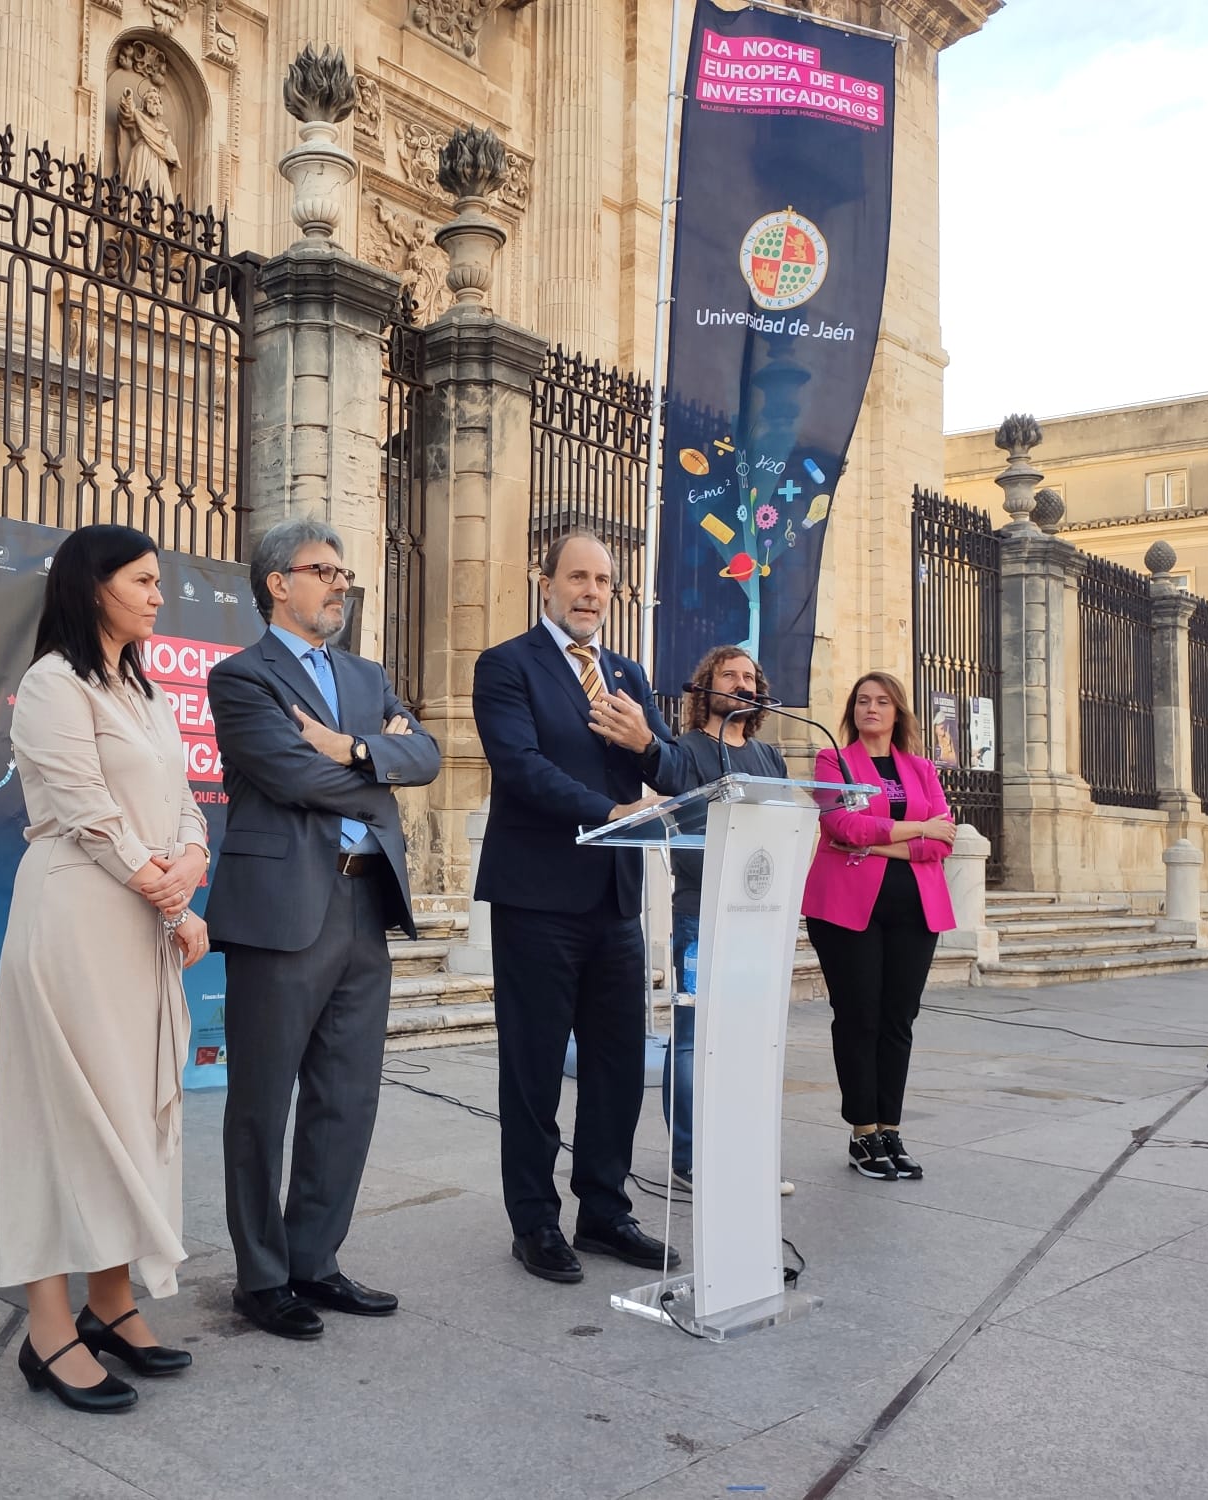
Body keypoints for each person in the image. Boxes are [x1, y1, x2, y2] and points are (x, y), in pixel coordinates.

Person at [206, 518, 440, 1340]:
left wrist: (348, 747)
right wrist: (377, 766)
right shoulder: (241, 679)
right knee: (262, 1104)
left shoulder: (366, 675)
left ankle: (316, 1260)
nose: (341, 584)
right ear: (279, 582)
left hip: (363, 906)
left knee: (347, 1098)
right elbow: (287, 774)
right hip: (281, 914)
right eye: (325, 571)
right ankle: (262, 1278)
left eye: (343, 573)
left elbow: (430, 757)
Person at [0, 524, 212, 1414]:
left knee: (130, 1112)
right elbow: (87, 810)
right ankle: (47, 1332)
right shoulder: (53, 684)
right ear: (93, 587)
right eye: (144, 580)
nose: (160, 594)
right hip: (76, 915)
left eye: (161, 580)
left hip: (139, 918)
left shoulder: (146, 692)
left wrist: (191, 866)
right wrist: (169, 894)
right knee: (64, 1119)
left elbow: (186, 802)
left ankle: (111, 1302)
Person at [472, 529, 691, 1284]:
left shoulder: (626, 673)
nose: (592, 592)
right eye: (578, 577)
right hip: (538, 896)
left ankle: (603, 1210)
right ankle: (533, 1221)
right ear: (546, 583)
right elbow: (521, 767)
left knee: (616, 1064)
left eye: (603, 580)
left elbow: (671, 762)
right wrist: (612, 812)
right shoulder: (507, 665)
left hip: (615, 899)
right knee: (533, 1067)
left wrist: (648, 746)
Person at [801, 671, 957, 1184]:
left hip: (915, 909)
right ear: (853, 710)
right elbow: (841, 827)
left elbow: (942, 841)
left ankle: (890, 1129)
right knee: (858, 1017)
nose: (872, 708)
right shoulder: (833, 761)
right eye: (863, 701)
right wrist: (916, 828)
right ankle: (862, 1132)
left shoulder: (922, 767)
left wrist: (876, 843)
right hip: (849, 908)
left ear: (898, 712)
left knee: (898, 1020)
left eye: (883, 701)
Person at [663, 647, 794, 1198]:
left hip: (757, 915)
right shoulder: (686, 750)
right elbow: (680, 823)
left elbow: (782, 827)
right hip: (701, 910)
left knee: (747, 1037)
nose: (741, 683)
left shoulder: (769, 756)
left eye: (750, 677)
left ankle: (744, 1154)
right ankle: (691, 1158)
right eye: (729, 675)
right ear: (705, 687)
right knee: (694, 1035)